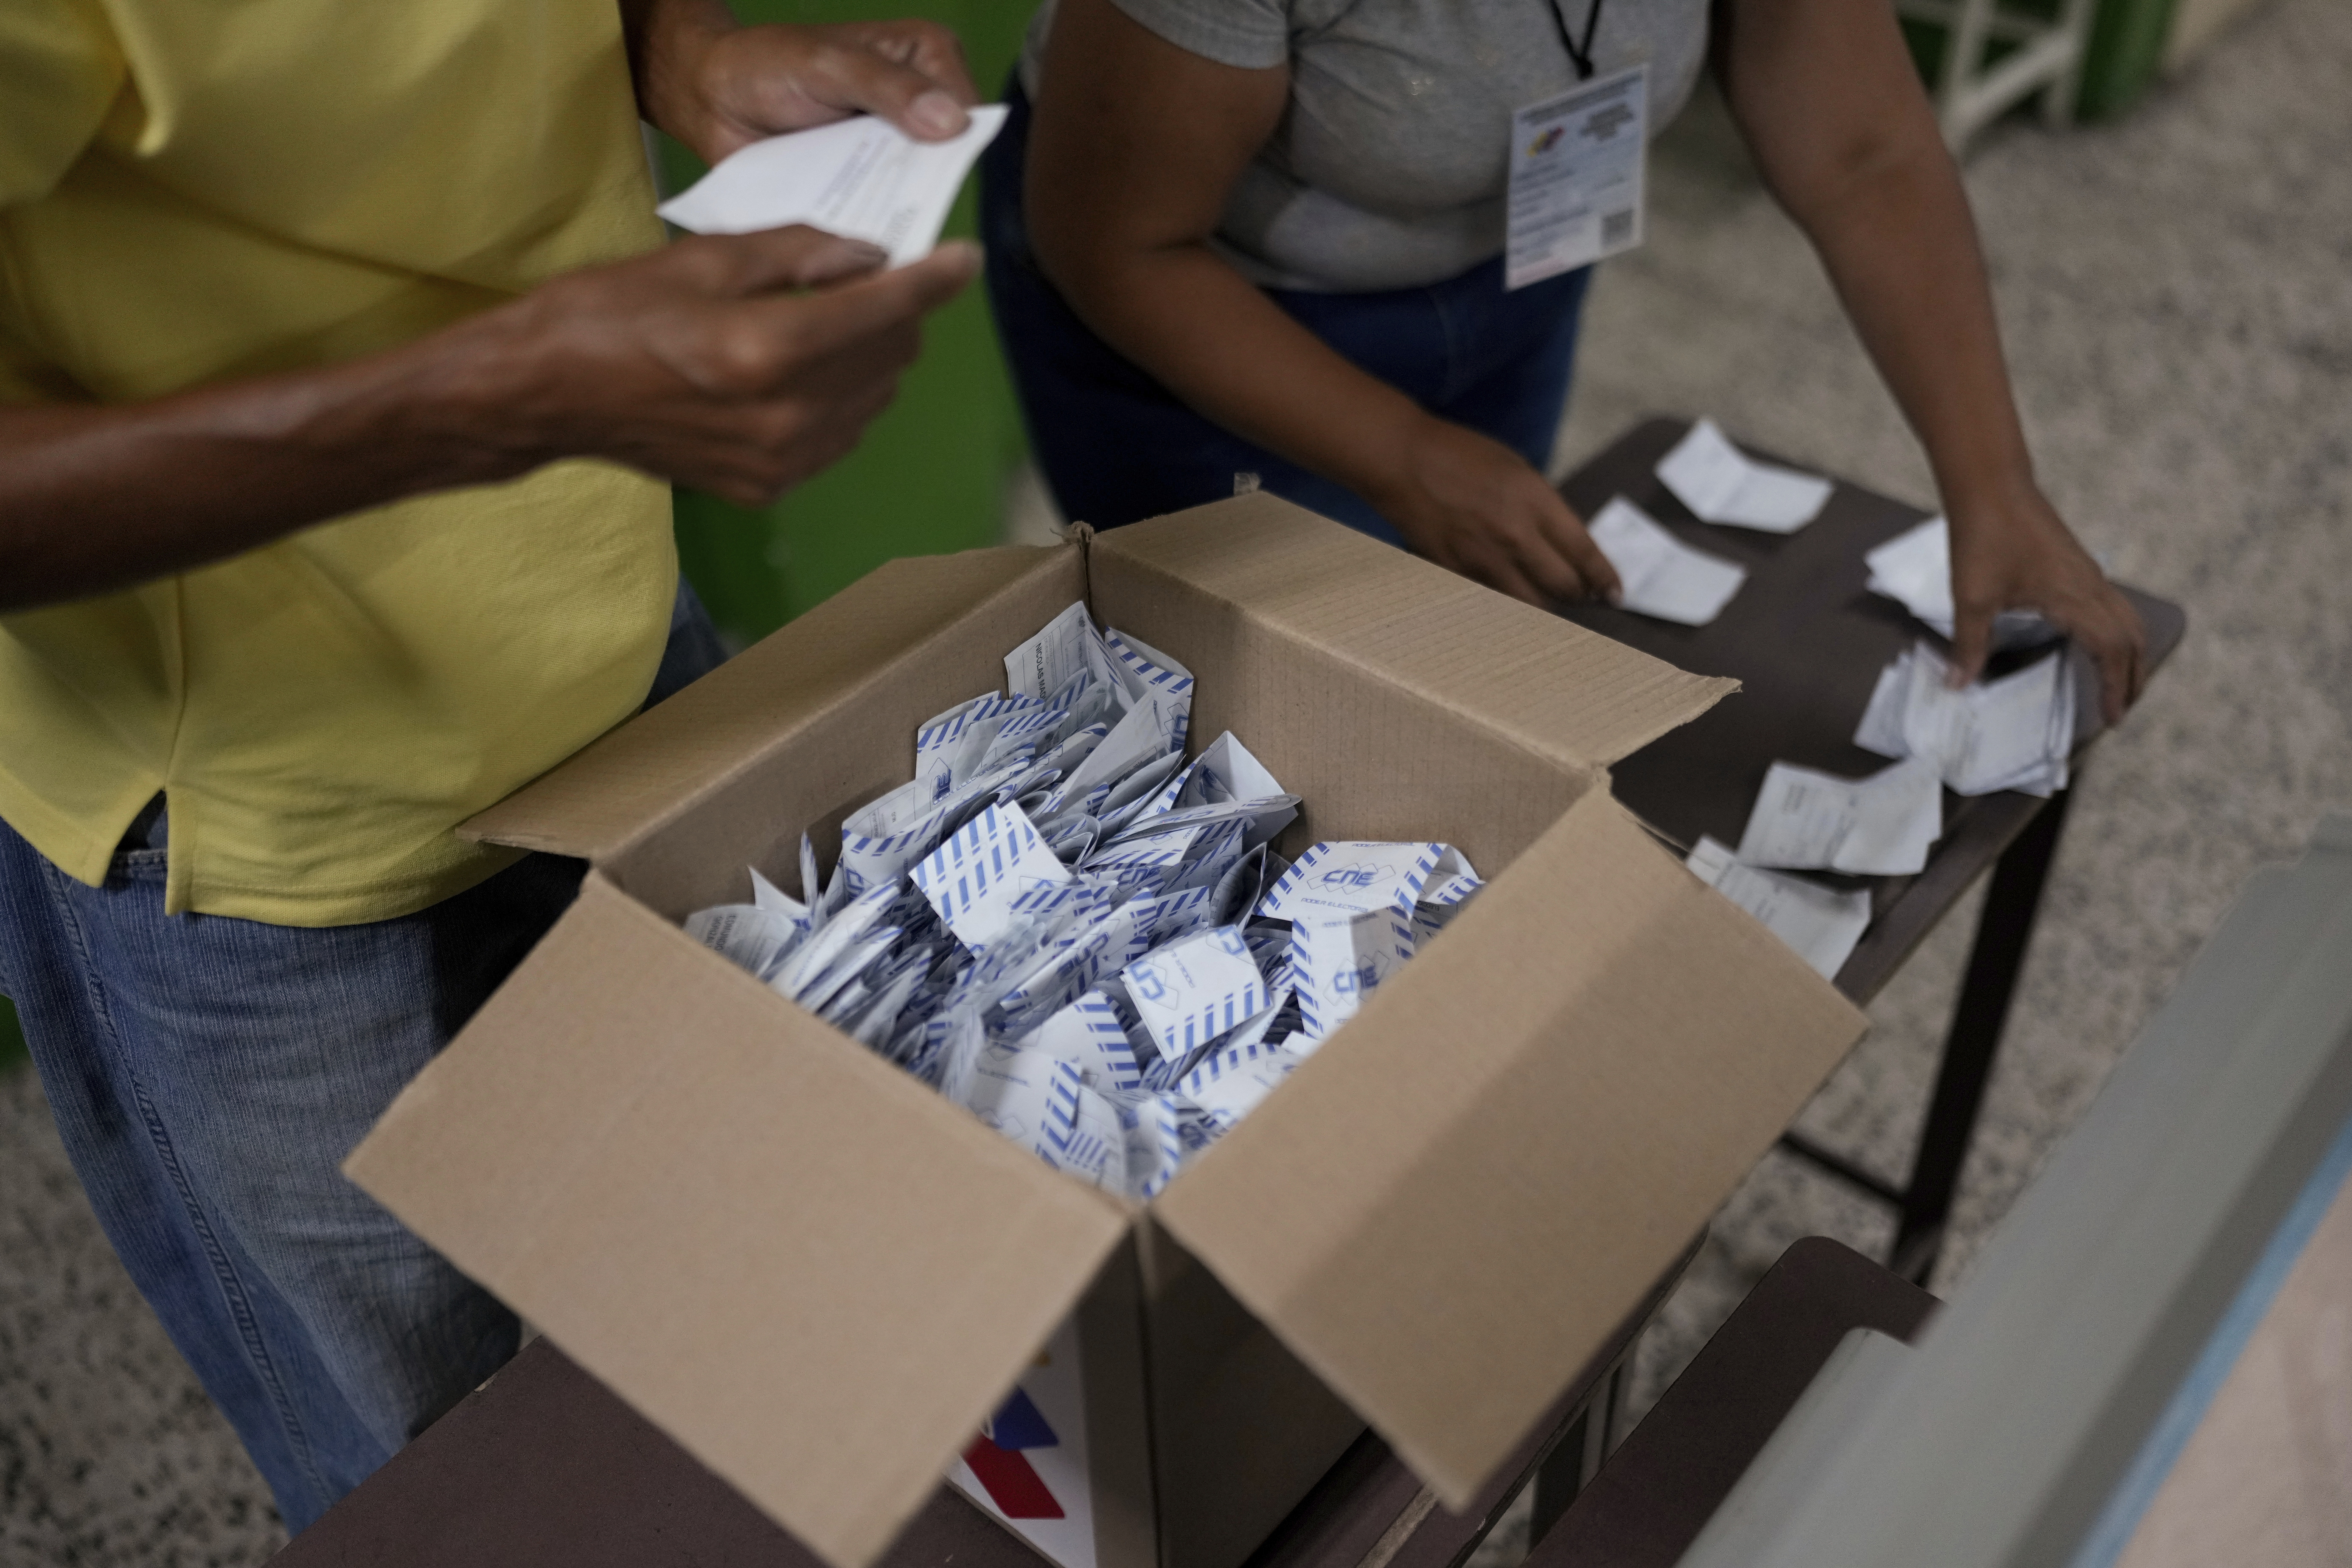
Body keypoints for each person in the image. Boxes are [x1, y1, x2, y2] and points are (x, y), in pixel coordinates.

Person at [0, 0, 980, 1533]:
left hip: (607, 634)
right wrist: (495, 396)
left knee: (745, 1287)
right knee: (436, 1473)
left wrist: (680, 50)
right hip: (265, 842)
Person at [984, 0, 2147, 721]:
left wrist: (1993, 483)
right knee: (1262, 721)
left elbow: (1862, 149)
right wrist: (1401, 454)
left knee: (1461, 631)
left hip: (1511, 254)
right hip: (1202, 304)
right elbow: (1118, 247)